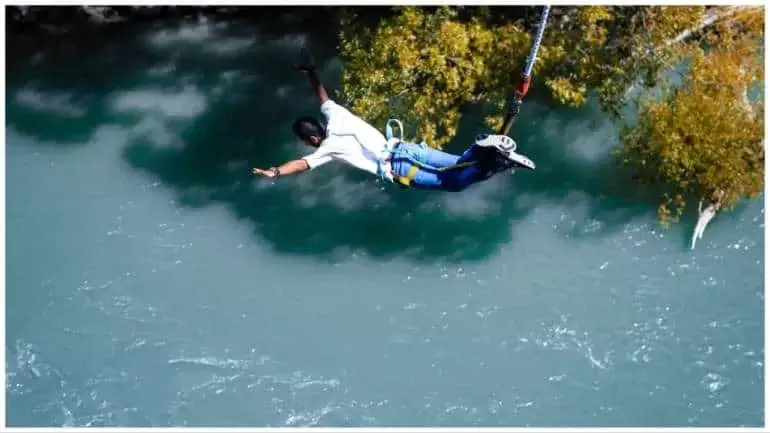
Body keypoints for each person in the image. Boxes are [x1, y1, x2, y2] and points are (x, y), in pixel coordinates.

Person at [251, 49, 536, 192]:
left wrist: (275, 172)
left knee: (453, 183)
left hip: (399, 166)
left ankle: (497, 159)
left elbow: (302, 164)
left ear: (313, 139)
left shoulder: (328, 148)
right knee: (459, 162)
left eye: (305, 141)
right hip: (405, 148)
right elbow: (322, 96)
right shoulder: (335, 115)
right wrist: (311, 72)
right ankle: (488, 150)